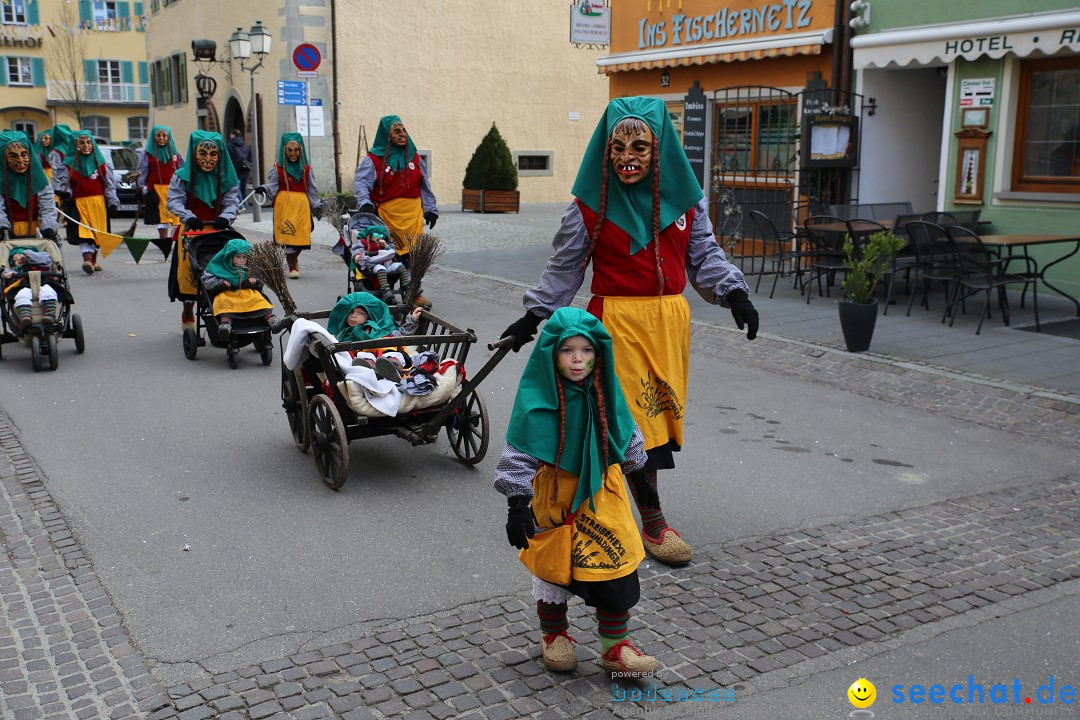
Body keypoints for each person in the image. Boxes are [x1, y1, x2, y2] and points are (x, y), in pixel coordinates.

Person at [501, 97, 760, 567]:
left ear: (660, 150)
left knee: (657, 422)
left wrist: (734, 293)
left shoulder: (686, 203)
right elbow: (565, 269)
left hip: (668, 325)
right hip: (614, 325)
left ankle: (606, 503)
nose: (628, 156)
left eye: (640, 145)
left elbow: (703, 255)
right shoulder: (589, 208)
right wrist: (533, 317)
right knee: (630, 425)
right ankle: (654, 522)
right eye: (618, 146)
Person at [497, 306, 660, 676]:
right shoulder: (538, 401)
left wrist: (645, 489)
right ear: (552, 354)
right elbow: (518, 453)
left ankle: (615, 647)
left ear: (598, 353)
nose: (578, 359)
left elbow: (630, 440)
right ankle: (554, 635)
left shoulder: (608, 394)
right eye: (568, 350)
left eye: (586, 351)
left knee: (615, 565)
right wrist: (516, 505)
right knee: (555, 566)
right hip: (557, 494)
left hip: (604, 494)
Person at [353, 114, 436, 308]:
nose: (402, 134)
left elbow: (425, 186)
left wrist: (430, 209)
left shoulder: (414, 157)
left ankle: (414, 294)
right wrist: (365, 203)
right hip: (387, 217)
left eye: (403, 130)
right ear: (386, 135)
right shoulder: (373, 160)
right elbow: (361, 183)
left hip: (413, 217)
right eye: (396, 131)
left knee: (414, 256)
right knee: (387, 254)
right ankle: (385, 291)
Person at [166, 130, 240, 330]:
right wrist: (187, 215)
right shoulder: (182, 176)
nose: (208, 159)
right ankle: (188, 310)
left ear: (220, 155)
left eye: (213, 154)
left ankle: (224, 311)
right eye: (203, 153)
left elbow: (233, 200)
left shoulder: (227, 178)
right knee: (189, 274)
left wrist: (226, 216)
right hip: (192, 230)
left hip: (218, 231)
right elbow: (173, 200)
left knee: (222, 272)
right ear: (193, 153)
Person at [255, 133, 322, 279]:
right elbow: (273, 186)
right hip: (284, 205)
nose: (293, 154)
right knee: (288, 235)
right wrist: (264, 189)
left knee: (304, 232)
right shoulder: (277, 168)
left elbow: (312, 188)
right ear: (284, 150)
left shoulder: (306, 169)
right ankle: (292, 265)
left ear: (301, 150)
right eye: (289, 150)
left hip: (302, 205)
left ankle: (294, 259)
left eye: (296, 150)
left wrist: (317, 205)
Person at [53, 130, 119, 275]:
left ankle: (94, 261)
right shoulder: (68, 165)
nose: (86, 146)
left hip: (99, 204)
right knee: (84, 231)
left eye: (88, 142)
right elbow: (65, 182)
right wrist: (65, 193)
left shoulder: (101, 164)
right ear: (75, 145)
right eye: (81, 143)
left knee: (97, 233)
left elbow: (109, 185)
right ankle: (87, 259)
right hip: (80, 203)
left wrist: (113, 202)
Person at [327, 291, 422, 381]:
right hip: (365, 355)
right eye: (351, 312)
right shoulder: (345, 333)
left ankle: (393, 369)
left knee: (392, 355)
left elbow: (401, 335)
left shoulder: (381, 329)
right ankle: (372, 371)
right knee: (364, 357)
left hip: (385, 353)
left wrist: (412, 320)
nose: (353, 316)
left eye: (360, 313)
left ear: (369, 316)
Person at [199, 238, 273, 342]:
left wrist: (255, 280)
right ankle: (225, 324)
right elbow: (207, 281)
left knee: (259, 300)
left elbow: (261, 277)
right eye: (238, 257)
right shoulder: (218, 267)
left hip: (247, 293)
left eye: (244, 257)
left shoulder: (250, 268)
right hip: (227, 293)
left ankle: (270, 319)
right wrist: (220, 283)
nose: (242, 260)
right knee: (224, 304)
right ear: (230, 257)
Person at [0, 130, 59, 242]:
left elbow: (47, 206)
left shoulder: (40, 179)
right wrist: (2, 226)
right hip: (7, 235)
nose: (20, 160)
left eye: (24, 155)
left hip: (37, 233)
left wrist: (48, 226)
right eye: (13, 156)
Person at [137, 125, 184, 258]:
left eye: (164, 136)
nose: (162, 138)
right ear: (154, 137)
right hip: (156, 188)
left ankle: (177, 239)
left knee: (176, 216)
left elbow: (183, 169)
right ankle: (164, 241)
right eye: (159, 135)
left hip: (173, 188)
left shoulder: (175, 154)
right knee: (162, 217)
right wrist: (141, 188)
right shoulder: (147, 154)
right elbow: (142, 171)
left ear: (169, 137)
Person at [2, 246, 67, 327]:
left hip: (45, 282)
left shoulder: (42, 262)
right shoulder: (17, 270)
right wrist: (9, 274)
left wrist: (26, 255)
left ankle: (50, 315)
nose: (18, 259)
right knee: (21, 295)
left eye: (19, 256)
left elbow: (45, 260)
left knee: (48, 292)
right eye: (15, 260)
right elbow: (5, 273)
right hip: (25, 285)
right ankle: (25, 316)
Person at [350, 222, 412, 303]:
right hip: (373, 264)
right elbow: (357, 251)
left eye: (381, 236)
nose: (378, 237)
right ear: (370, 235)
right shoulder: (363, 242)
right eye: (376, 235)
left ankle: (406, 287)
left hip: (387, 263)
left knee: (400, 266)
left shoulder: (386, 242)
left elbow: (392, 252)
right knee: (381, 269)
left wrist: (386, 246)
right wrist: (359, 256)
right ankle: (386, 290)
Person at [227, 129, 252, 206]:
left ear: (233, 135)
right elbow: (250, 158)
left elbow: (227, 159)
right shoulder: (246, 146)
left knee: (236, 189)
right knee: (243, 189)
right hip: (245, 170)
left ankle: (241, 205)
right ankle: (244, 204)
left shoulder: (229, 145)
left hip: (234, 170)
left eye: (231, 134)